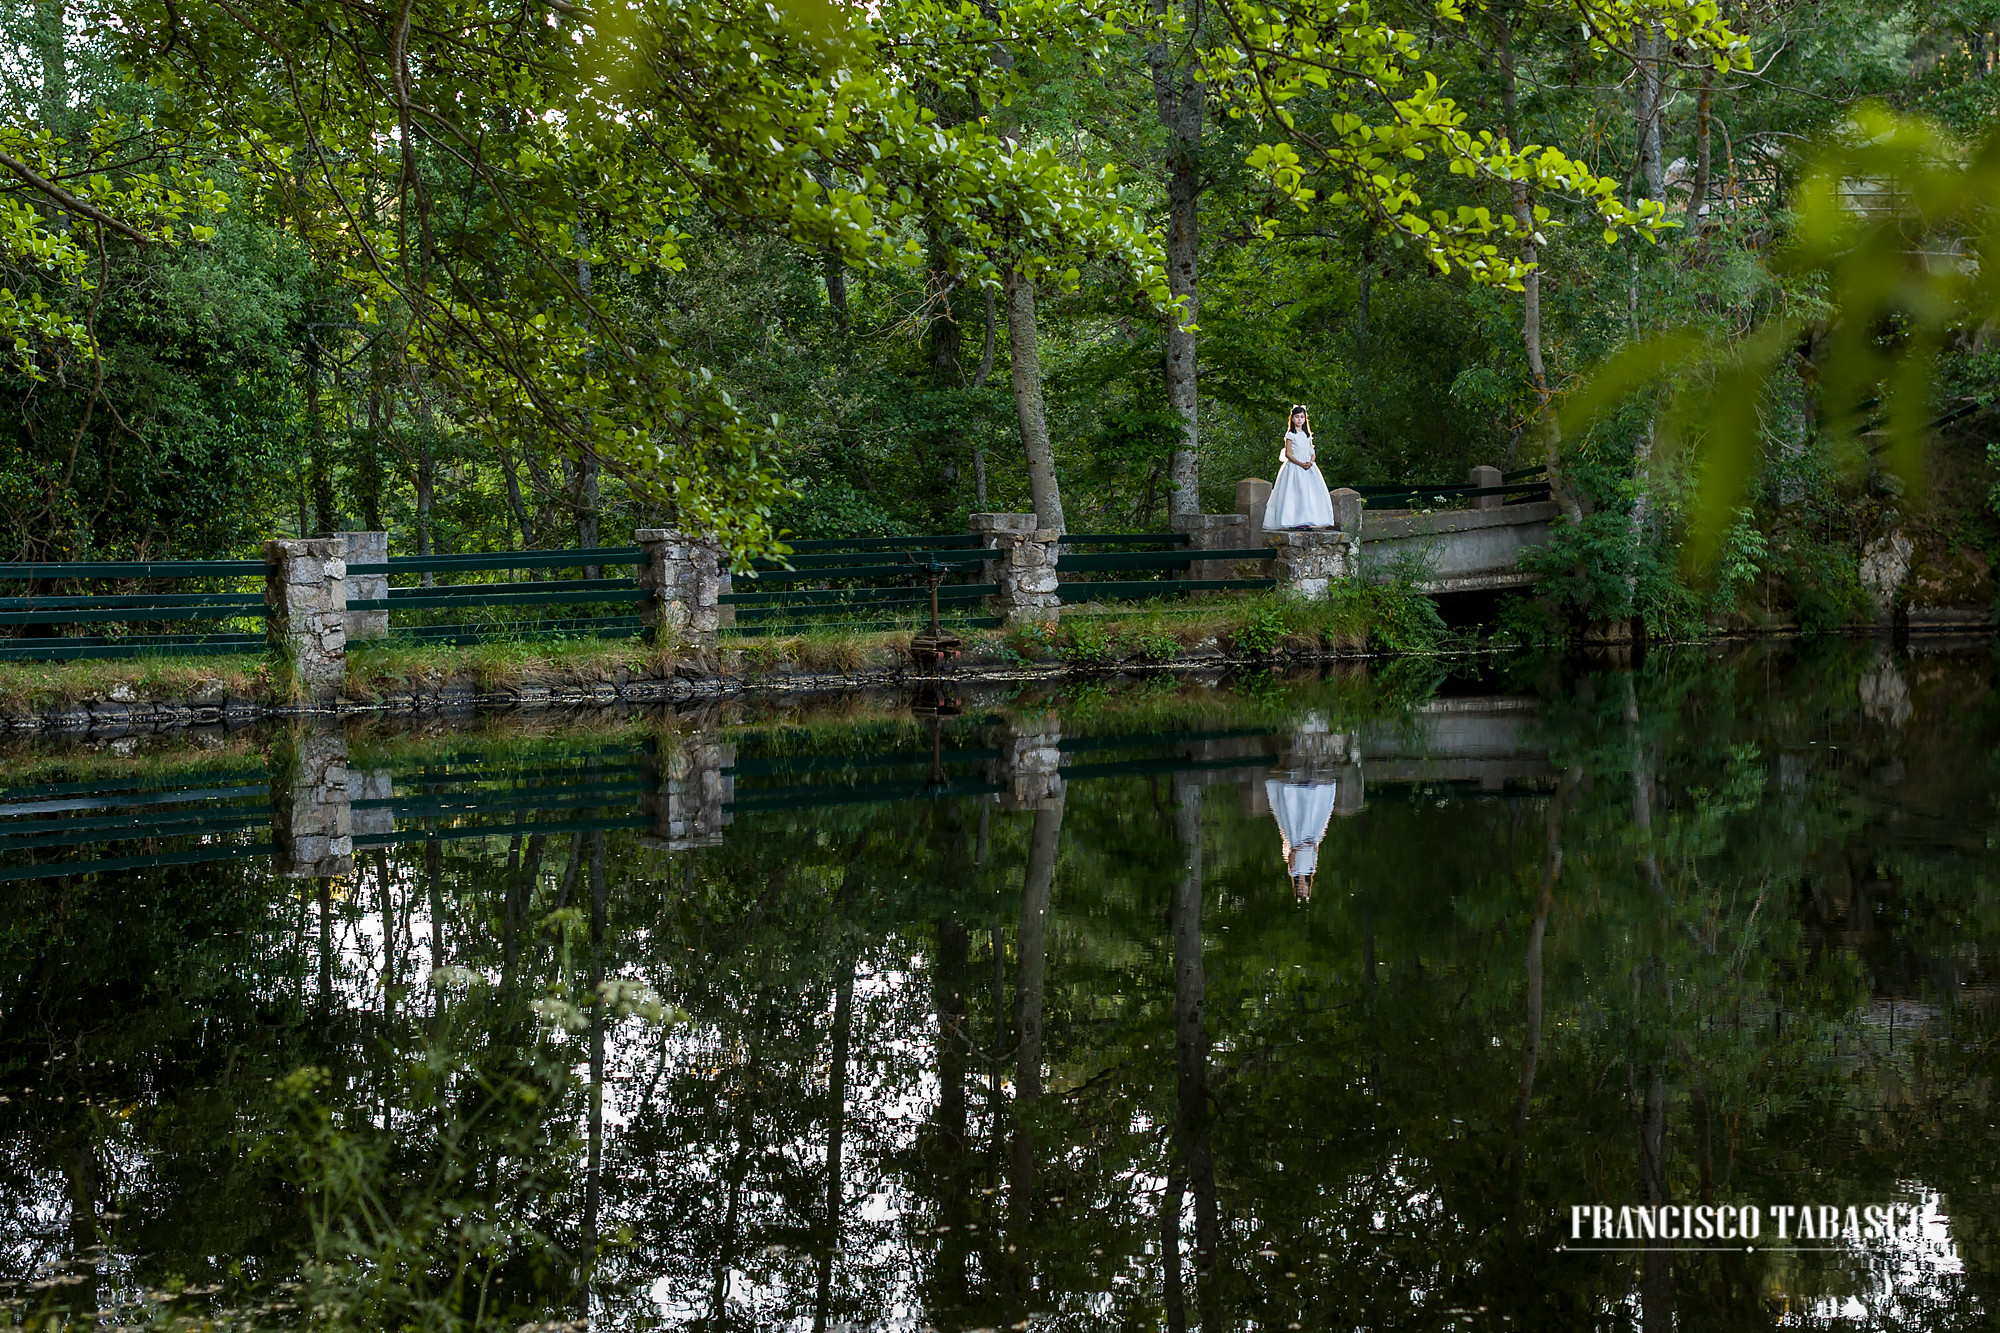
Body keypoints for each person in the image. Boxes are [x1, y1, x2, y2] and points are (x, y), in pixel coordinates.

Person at [1263, 404, 1337, 530]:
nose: (1299, 419)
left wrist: (1310, 462)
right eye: (1297, 417)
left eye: (1302, 417)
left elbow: (1311, 452)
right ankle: (1294, 521)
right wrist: (1300, 464)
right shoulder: (1290, 435)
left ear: (1305, 419)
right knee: (1295, 492)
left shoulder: (1307, 435)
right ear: (1292, 419)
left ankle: (1307, 520)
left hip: (1308, 467)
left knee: (1309, 494)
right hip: (1295, 466)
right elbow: (1288, 453)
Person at [1267, 776, 1340, 901]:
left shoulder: (1293, 871)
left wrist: (1300, 848)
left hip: (1298, 840)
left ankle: (1295, 790)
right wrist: (1312, 845)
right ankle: (1313, 790)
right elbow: (1314, 854)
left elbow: (1292, 854)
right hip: (1311, 840)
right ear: (1307, 886)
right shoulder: (1312, 869)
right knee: (1313, 816)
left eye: (1300, 889)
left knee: (1296, 816)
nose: (1302, 887)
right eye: (1304, 889)